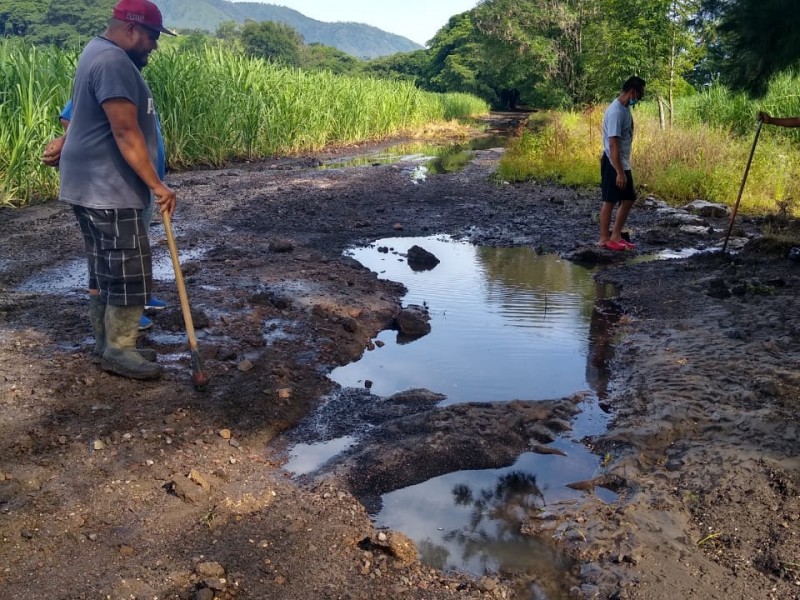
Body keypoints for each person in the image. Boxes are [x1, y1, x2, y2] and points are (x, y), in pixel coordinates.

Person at [41, 0, 176, 380]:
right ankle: (119, 349)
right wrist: (157, 185)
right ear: (132, 29)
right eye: (151, 36)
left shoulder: (96, 50)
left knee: (104, 268)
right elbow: (124, 130)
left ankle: (105, 345)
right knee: (130, 269)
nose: (154, 45)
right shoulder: (114, 62)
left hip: (92, 186)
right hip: (110, 189)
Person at [56, 98, 168, 331]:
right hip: (117, 183)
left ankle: (140, 300)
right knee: (117, 254)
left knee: (137, 246)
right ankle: (123, 318)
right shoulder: (107, 79)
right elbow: (68, 118)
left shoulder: (132, 81)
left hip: (143, 182)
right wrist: (69, 141)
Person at [598, 76, 646, 251]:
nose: (639, 98)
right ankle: (604, 239)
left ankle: (616, 236)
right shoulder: (616, 111)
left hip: (622, 162)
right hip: (613, 162)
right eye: (640, 94)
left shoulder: (624, 109)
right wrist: (619, 171)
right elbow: (613, 143)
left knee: (628, 198)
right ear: (633, 91)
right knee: (609, 200)